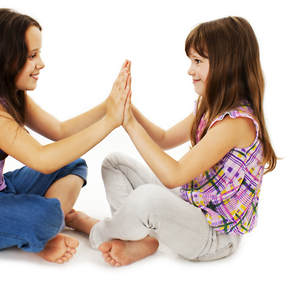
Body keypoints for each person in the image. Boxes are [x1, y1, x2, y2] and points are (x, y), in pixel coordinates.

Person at [0, 8, 131, 264]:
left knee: (72, 164)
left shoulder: (10, 94)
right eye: (32, 55)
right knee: (44, 217)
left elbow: (60, 131)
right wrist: (109, 123)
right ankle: (43, 228)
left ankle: (43, 225)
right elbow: (41, 159)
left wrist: (109, 105)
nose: (41, 63)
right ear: (2, 60)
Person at [66, 16, 278, 266]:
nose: (190, 70)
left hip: (216, 236)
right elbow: (164, 139)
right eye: (191, 61)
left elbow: (173, 175)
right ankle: (137, 239)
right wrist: (127, 108)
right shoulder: (210, 107)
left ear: (226, 65)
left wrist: (129, 125)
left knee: (146, 198)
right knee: (115, 163)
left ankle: (97, 231)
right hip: (195, 202)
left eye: (198, 61)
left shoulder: (236, 123)